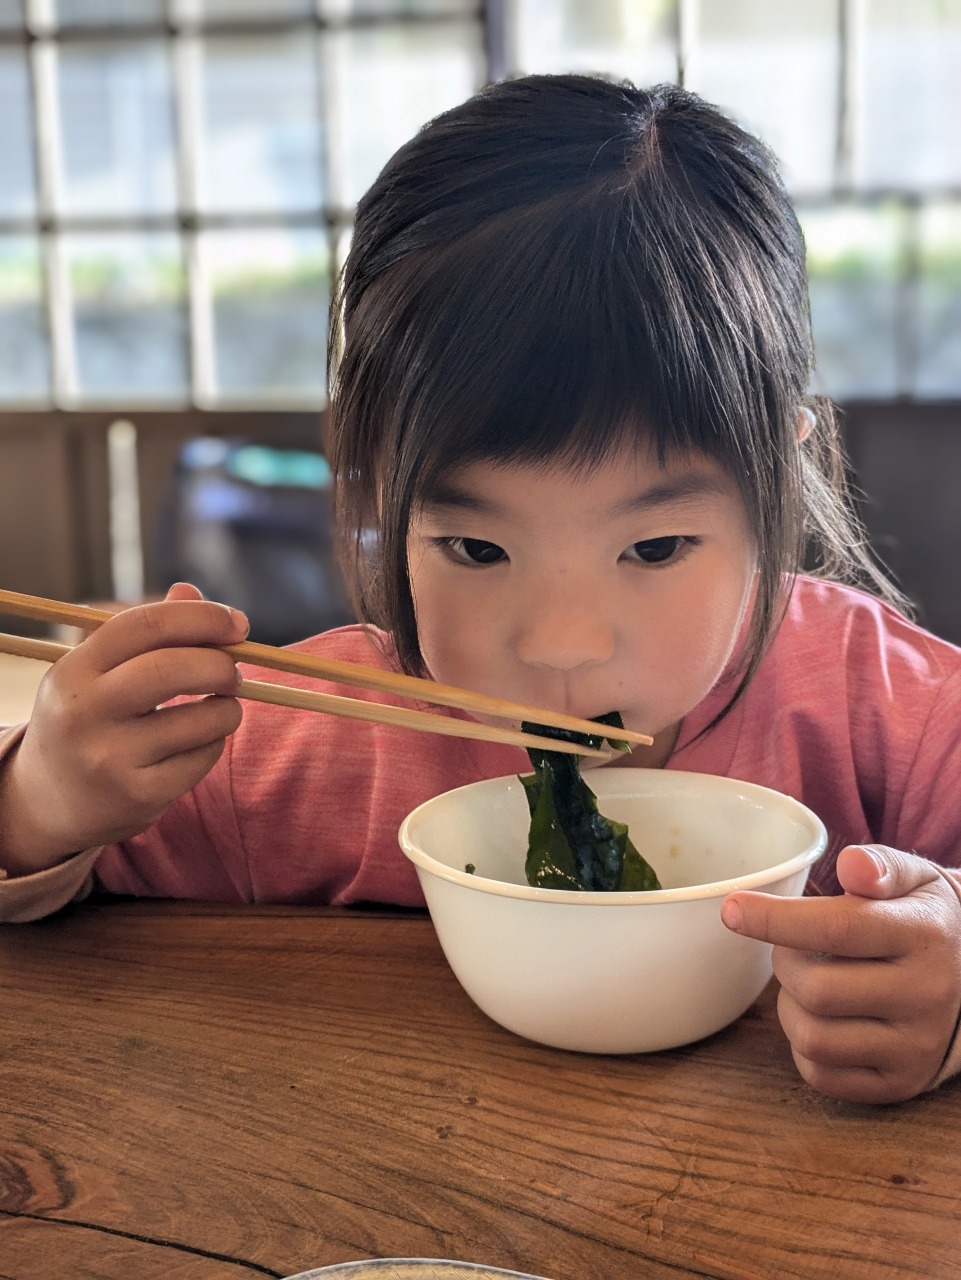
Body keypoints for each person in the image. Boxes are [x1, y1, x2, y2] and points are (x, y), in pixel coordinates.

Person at [1, 74, 959, 1106]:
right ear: (382, 494)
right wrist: (40, 800)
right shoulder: (307, 733)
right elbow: (51, 868)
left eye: (654, 547)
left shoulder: (877, 702)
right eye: (475, 547)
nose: (561, 641)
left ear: (774, 481)